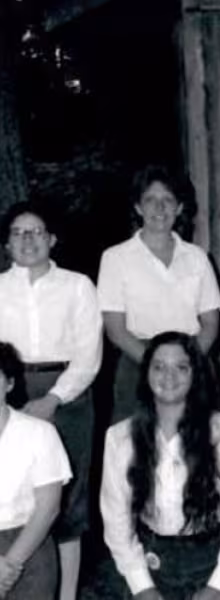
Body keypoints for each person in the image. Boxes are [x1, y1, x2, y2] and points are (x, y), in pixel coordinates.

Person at [100, 332, 220, 599]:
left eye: (181, 368)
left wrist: (218, 585)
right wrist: (142, 586)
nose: (168, 377)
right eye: (159, 367)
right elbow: (116, 522)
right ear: (146, 373)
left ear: (195, 374)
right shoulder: (120, 437)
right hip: (153, 561)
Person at [0, 202, 102, 600]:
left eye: (37, 231)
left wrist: (55, 398)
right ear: (7, 244)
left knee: (68, 502)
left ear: (52, 239)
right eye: (18, 233)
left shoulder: (78, 286)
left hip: (68, 392)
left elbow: (89, 353)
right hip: (7, 388)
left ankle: (67, 594)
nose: (28, 239)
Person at [98, 166, 220, 423]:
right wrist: (159, 364)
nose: (159, 208)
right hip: (137, 363)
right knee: (136, 451)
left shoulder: (197, 257)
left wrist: (185, 363)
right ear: (137, 207)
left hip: (193, 360)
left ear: (179, 208)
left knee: (200, 448)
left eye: (168, 200)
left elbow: (210, 322)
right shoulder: (115, 258)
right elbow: (115, 329)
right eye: (150, 200)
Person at [0, 341, 71, 600]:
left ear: (9, 383)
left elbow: (48, 509)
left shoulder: (39, 433)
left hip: (30, 543)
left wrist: (7, 566)